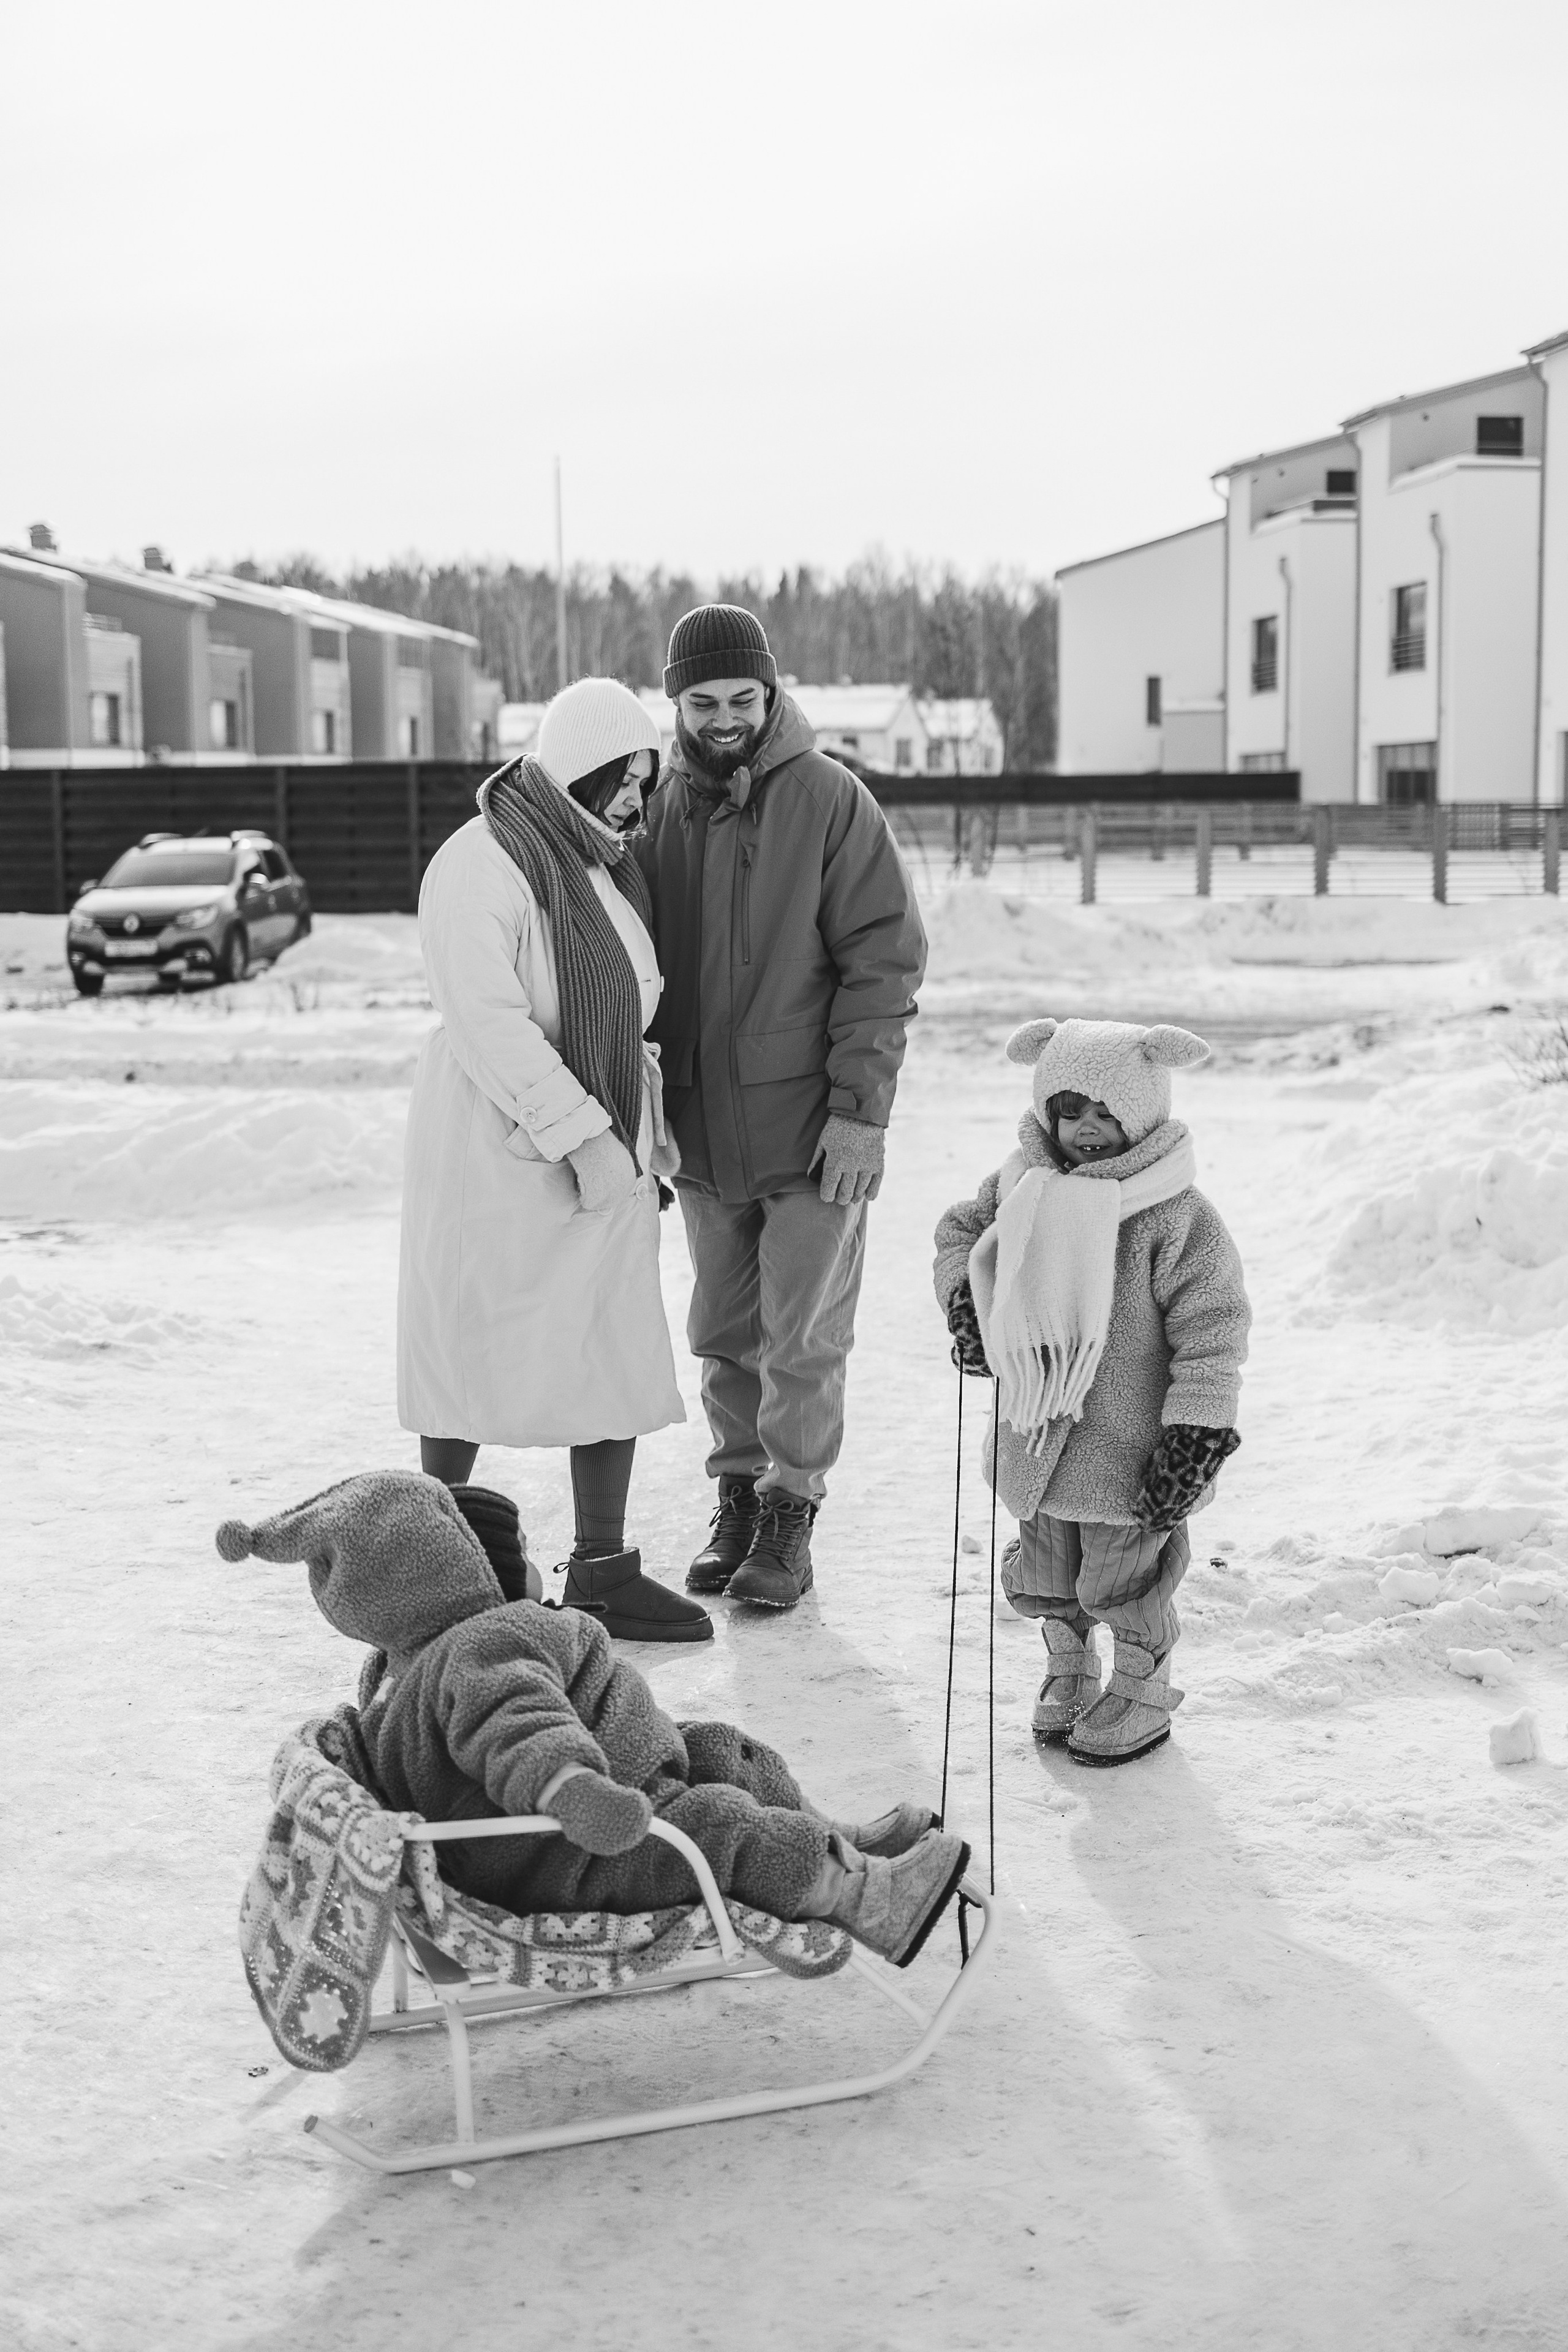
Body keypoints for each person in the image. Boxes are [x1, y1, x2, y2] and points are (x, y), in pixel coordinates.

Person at [217, 1472, 972, 1969]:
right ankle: (862, 1898)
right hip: (577, 1850)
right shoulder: (486, 1645)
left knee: (722, 1751)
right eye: (523, 1558)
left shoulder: (397, 1669)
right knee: (716, 1822)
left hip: (556, 1828)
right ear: (468, 1567)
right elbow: (518, 1731)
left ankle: (839, 1842)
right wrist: (571, 1789)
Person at [397, 677, 710, 1643]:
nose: (634, 801)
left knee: (603, 1345)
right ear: (579, 765)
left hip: (601, 1136)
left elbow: (625, 1000)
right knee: (473, 1342)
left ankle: (604, 1572)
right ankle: (423, 1565)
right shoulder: (481, 863)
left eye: (646, 783)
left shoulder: (595, 865)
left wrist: (622, 1139)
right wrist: (579, 1134)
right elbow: (487, 1020)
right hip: (499, 1144)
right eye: (624, 777)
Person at [635, 605, 927, 1611]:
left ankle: (790, 1513)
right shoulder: (656, 809)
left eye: (742, 700)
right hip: (704, 1131)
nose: (724, 719)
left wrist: (862, 1114)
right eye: (704, 702)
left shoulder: (832, 802)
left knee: (803, 1334)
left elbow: (882, 967)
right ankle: (736, 1497)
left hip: (814, 1129)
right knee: (724, 1330)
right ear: (677, 703)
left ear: (773, 693)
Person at [932, 1018, 1251, 1766]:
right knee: (1047, 1573)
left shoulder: (1174, 1215)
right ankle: (1068, 1663)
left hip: (1129, 1453)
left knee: (1122, 1577)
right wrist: (968, 1308)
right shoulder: (1020, 1186)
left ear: (1143, 1112)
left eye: (1109, 1112)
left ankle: (1142, 1685)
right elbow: (960, 1238)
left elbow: (1213, 1329)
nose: (1088, 1128)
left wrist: (1194, 1438)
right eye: (1071, 1110)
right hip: (1036, 1437)